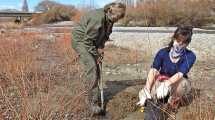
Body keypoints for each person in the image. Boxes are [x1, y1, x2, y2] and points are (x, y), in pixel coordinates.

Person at [71, 2, 126, 115]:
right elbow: (87, 41)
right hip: (81, 41)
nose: (118, 20)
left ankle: (94, 92)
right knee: (92, 68)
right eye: (118, 17)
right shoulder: (98, 18)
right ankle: (92, 103)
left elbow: (104, 36)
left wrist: (100, 49)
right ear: (110, 11)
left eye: (120, 18)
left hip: (92, 42)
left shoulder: (110, 20)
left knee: (97, 68)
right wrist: (96, 54)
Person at [137, 26, 196, 111]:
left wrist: (167, 84)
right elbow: (154, 70)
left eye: (183, 43)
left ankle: (172, 102)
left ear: (187, 44)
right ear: (173, 38)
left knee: (182, 86)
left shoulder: (190, 56)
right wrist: (147, 88)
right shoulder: (163, 52)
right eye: (178, 40)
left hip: (179, 82)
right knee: (149, 94)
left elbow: (180, 73)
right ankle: (151, 96)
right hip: (162, 80)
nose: (179, 44)